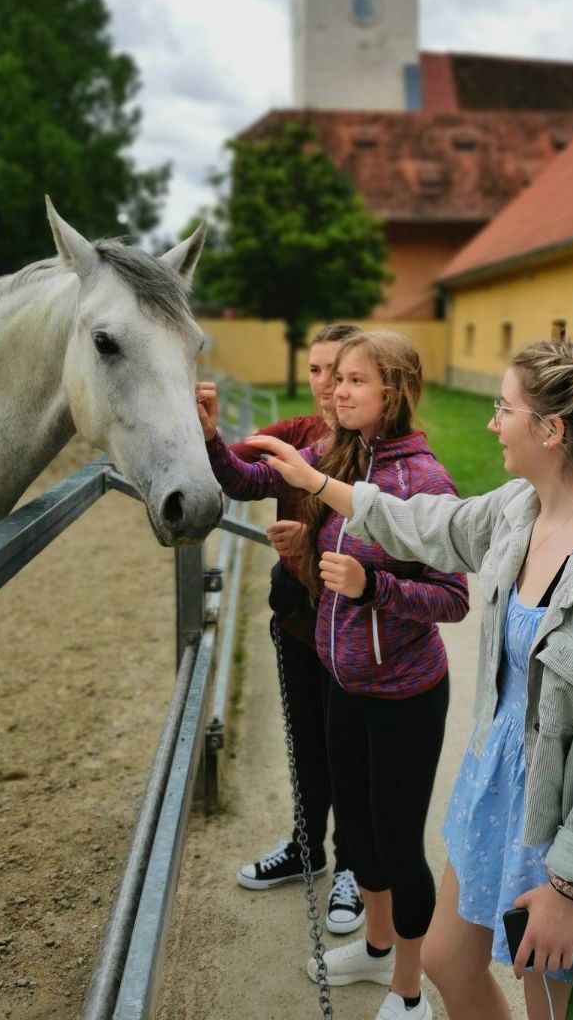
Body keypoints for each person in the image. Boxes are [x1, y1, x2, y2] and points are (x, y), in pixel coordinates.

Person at [251, 339, 573, 1020]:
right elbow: (431, 523)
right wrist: (316, 485)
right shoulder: (522, 508)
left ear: (551, 429)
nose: (491, 422)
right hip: (496, 790)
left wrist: (570, 890)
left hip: (563, 817)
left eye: (503, 408)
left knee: (554, 1012)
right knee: (450, 960)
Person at [199, 330, 469, 1020]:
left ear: (394, 393)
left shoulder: (424, 481)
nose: (336, 391)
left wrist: (370, 585)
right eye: (336, 377)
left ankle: (409, 995)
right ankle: (376, 950)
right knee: (356, 832)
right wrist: (209, 439)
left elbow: (454, 598)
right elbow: (251, 479)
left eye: (354, 381)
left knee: (398, 845)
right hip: (343, 683)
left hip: (405, 696)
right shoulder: (337, 452)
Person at [197, 322, 366, 935]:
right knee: (304, 739)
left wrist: (313, 539)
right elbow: (240, 475)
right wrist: (207, 435)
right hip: (298, 618)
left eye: (340, 373)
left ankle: (353, 865)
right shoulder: (294, 434)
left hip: (356, 631)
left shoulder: (380, 448)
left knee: (348, 748)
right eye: (318, 371)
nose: (325, 385)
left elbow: (393, 534)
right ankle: (305, 847)